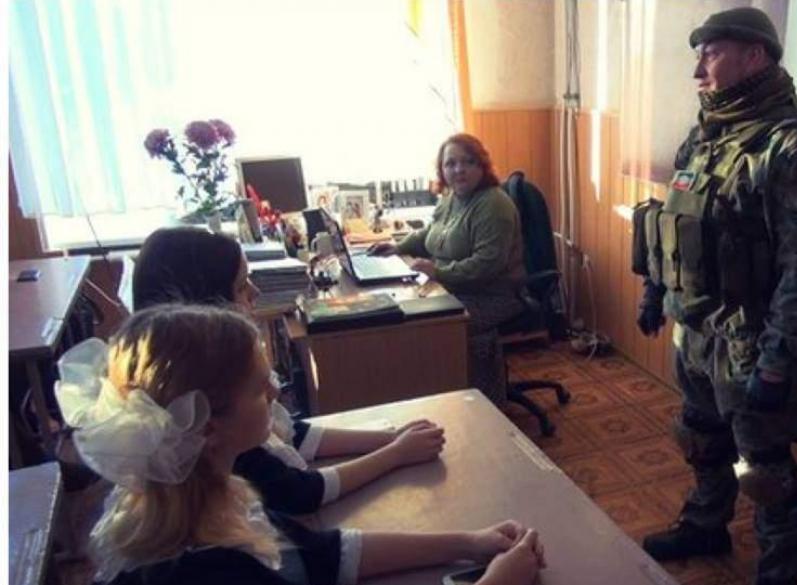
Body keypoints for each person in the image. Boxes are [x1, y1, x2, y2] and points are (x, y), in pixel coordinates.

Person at [55, 305, 545, 585]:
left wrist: (469, 542)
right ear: (207, 426)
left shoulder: (210, 496)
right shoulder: (210, 569)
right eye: (257, 388)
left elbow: (324, 552)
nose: (274, 393)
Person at [634, 8, 797, 585]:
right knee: (701, 437)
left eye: (711, 54)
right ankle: (706, 523)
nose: (697, 70)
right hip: (695, 328)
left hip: (752, 341)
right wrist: (655, 288)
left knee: (765, 470)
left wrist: (781, 358)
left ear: (754, 56)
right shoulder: (707, 133)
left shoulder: (795, 144)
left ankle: (779, 573)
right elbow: (675, 219)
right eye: (698, 55)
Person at [133, 227, 445, 514]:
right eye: (241, 286)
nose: (255, 292)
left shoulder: (204, 378)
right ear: (205, 307)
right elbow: (299, 492)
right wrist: (395, 454)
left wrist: (389, 439)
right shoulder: (213, 411)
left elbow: (290, 432)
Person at [369, 134, 526, 405]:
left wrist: (439, 272)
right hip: (453, 288)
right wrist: (397, 247)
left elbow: (487, 265)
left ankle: (480, 405)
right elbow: (431, 233)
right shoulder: (451, 197)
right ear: (441, 170)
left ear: (482, 166)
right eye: (450, 163)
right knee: (406, 316)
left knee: (431, 326)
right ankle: (436, 398)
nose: (458, 170)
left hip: (493, 296)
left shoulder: (493, 204)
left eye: (468, 162)